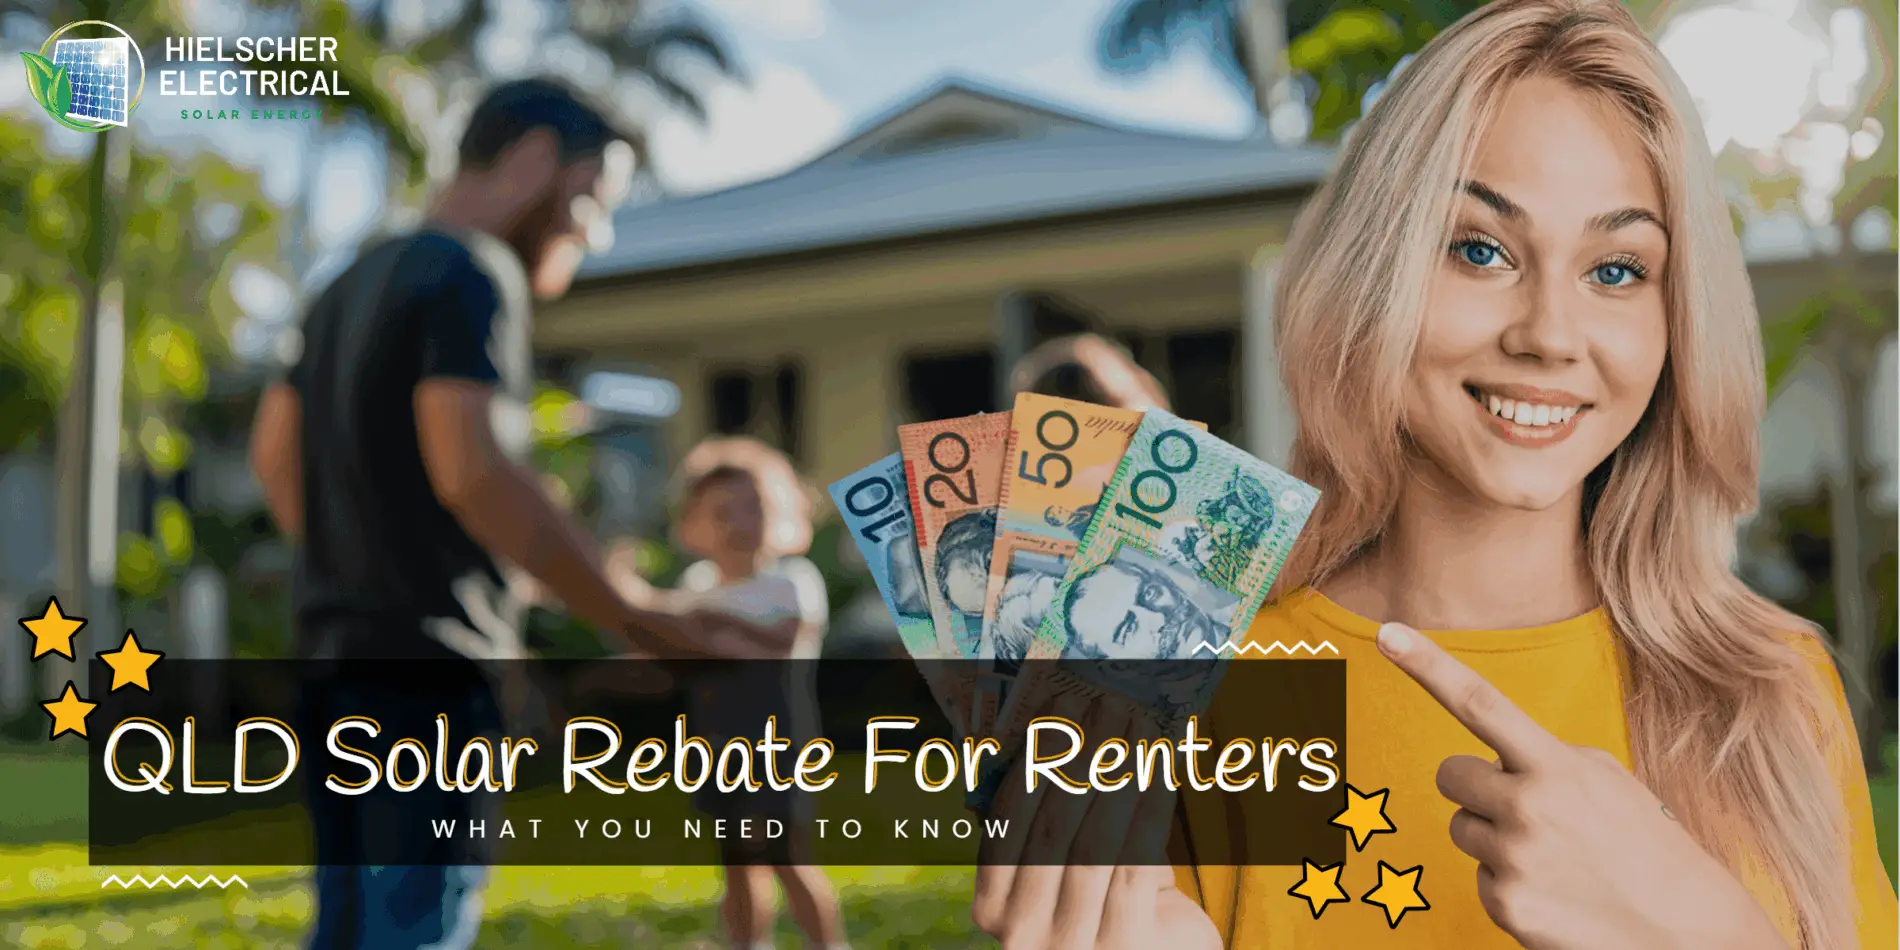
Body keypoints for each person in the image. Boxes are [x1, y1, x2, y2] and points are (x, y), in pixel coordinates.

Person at [972, 1, 1898, 947]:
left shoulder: (1772, 691)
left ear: (1677, 316)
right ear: (1372, 277)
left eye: (1617, 269)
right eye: (1480, 250)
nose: (1548, 335)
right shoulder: (1185, 687)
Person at [249, 79, 788, 950]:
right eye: (591, 199)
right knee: (413, 931)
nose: (594, 232)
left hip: (332, 660)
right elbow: (474, 469)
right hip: (430, 679)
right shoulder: (474, 270)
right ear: (535, 159)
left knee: (346, 931)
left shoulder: (345, 281)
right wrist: (634, 613)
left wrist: (365, 562)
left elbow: (274, 454)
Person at [611, 436, 851, 950]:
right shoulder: (696, 585)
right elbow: (673, 654)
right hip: (718, 748)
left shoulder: (792, 582)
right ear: (692, 525)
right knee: (737, 861)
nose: (741, 523)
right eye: (723, 512)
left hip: (780, 749)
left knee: (787, 857)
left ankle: (829, 945)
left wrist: (701, 624)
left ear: (783, 513)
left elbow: (776, 643)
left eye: (755, 508)